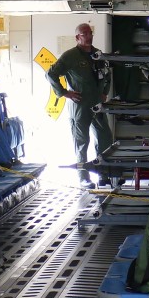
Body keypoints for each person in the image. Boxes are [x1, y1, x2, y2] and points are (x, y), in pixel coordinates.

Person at [47, 22, 112, 184]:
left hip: (98, 104)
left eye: (90, 33)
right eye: (85, 34)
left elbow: (107, 74)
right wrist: (64, 93)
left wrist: (105, 92)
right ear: (77, 37)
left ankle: (103, 174)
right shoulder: (70, 56)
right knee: (82, 142)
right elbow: (51, 74)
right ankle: (83, 177)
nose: (89, 36)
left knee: (105, 139)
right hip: (80, 105)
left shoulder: (97, 54)